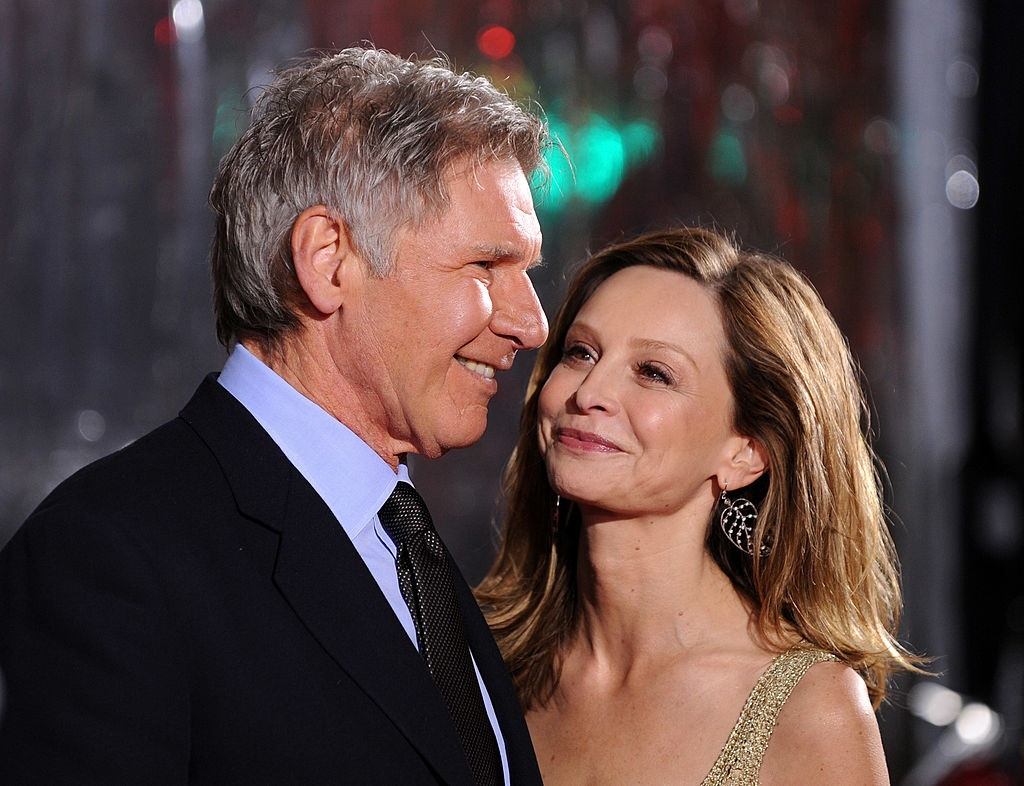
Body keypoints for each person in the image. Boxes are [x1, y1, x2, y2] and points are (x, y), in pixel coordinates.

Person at [0, 48, 548, 784]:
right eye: (486, 266)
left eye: (528, 274)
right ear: (328, 261)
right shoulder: (111, 557)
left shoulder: (405, 538)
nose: (533, 323)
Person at [478, 227, 921, 784]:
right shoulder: (484, 664)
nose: (589, 392)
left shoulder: (809, 709)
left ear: (745, 452)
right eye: (581, 352)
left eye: (654, 373)